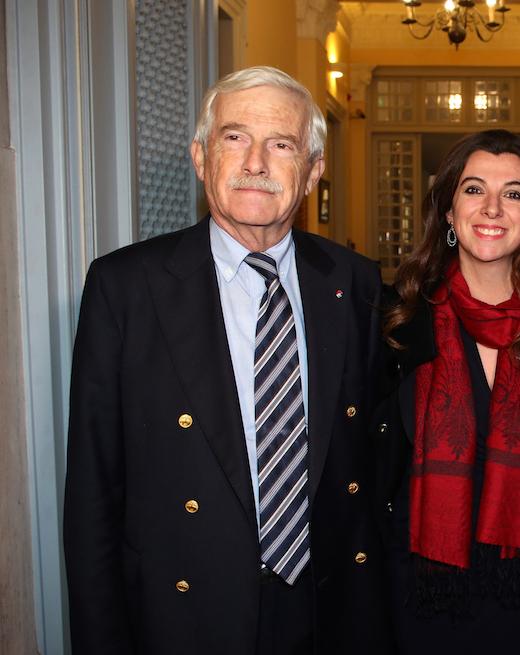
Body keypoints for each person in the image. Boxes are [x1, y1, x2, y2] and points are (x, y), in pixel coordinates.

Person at [64, 66, 393, 655]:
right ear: (200, 157)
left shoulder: (356, 283)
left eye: (282, 145)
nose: (256, 163)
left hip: (327, 609)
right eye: (234, 137)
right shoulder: (125, 288)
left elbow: (368, 461)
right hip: (185, 613)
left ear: (313, 171)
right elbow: (94, 493)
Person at [374, 129, 520, 655]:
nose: (493, 208)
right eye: (474, 189)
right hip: (423, 606)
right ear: (449, 211)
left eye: (514, 194)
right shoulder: (396, 329)